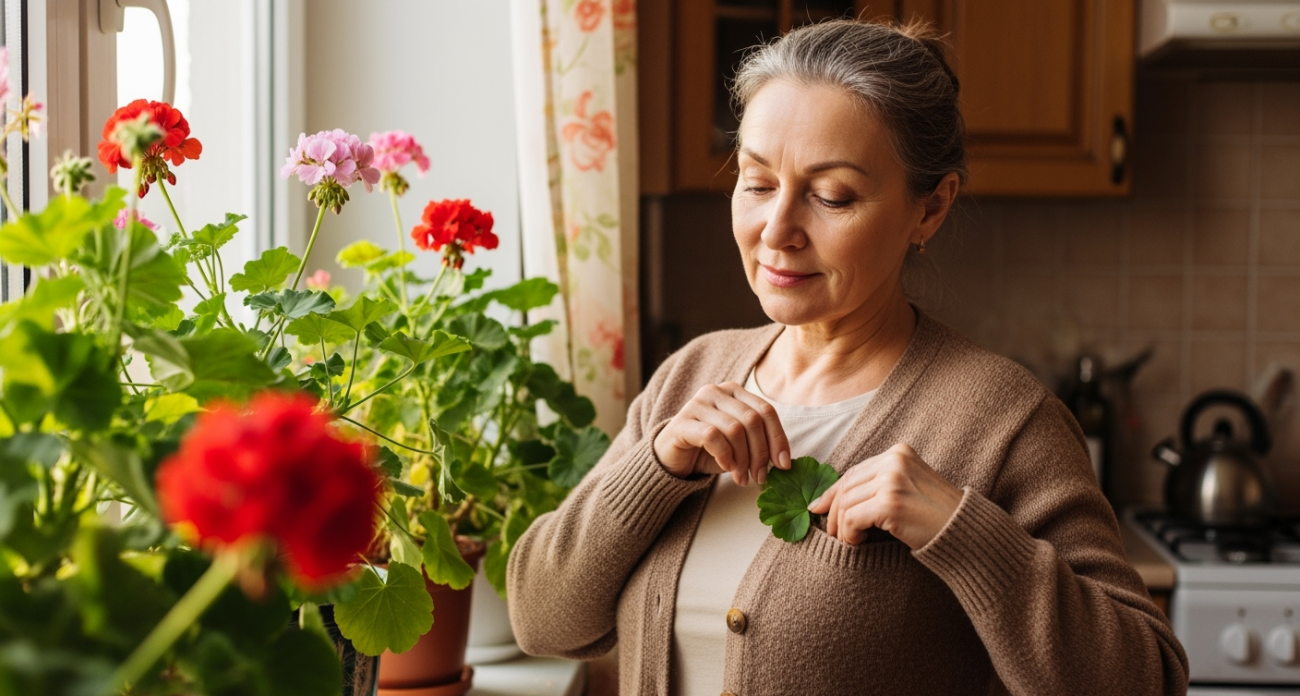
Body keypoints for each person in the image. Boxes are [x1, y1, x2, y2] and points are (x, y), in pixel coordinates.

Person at [507, 18, 1189, 696]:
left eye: (832, 195)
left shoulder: (1003, 421)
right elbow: (542, 622)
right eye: (756, 182)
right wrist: (653, 468)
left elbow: (1148, 680)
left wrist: (965, 532)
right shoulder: (690, 376)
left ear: (930, 209)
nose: (777, 230)